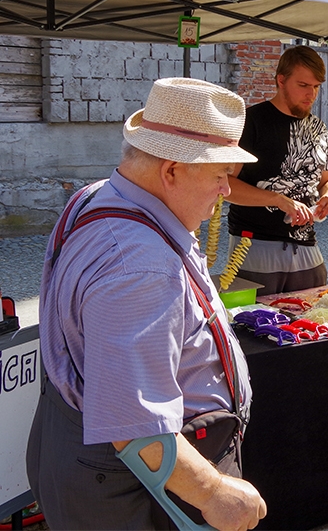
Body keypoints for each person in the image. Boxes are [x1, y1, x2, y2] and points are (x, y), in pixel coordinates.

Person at [26, 77, 267, 530]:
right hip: (135, 485)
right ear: (171, 170)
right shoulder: (140, 265)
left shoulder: (99, 195)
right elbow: (134, 426)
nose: (226, 192)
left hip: (93, 461)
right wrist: (213, 492)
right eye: (220, 176)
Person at [227, 45, 328, 295]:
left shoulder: (319, 128)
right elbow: (225, 185)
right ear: (281, 80)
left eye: (316, 87)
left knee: (312, 322)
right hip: (254, 245)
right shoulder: (250, 122)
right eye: (303, 85)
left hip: (308, 247)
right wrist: (278, 200)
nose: (311, 94)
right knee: (254, 324)